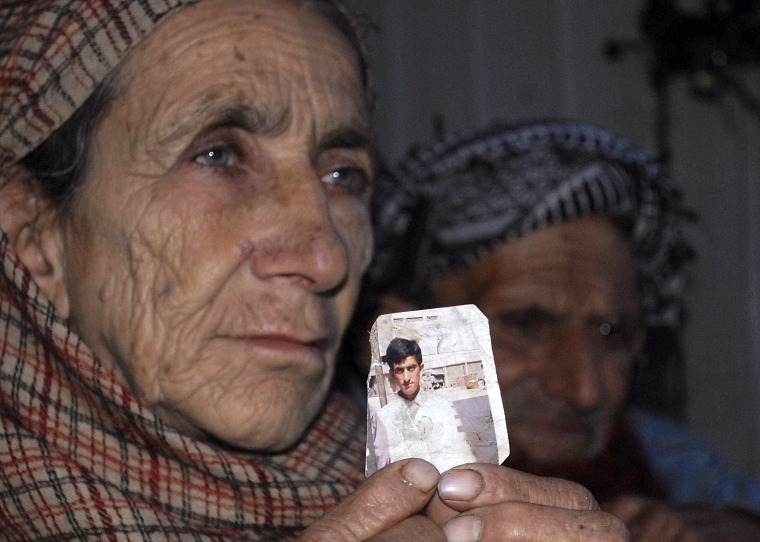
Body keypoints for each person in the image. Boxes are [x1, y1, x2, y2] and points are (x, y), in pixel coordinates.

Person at [0, 2, 631, 540]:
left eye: (342, 175)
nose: (326, 258)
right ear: (34, 234)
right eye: (218, 155)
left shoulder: (412, 491)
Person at [365, 119, 760, 540]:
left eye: (610, 332)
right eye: (525, 325)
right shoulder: (319, 481)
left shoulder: (671, 461)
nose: (583, 390)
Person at [370, 337, 477, 473]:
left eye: (411, 368)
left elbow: (459, 455)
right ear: (392, 374)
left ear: (420, 368)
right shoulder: (383, 417)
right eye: (399, 370)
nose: (407, 378)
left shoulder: (442, 407)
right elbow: (382, 469)